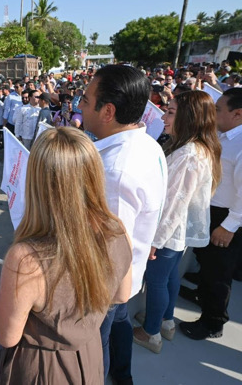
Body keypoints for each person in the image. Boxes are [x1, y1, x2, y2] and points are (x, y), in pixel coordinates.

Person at [0, 127, 132, 384]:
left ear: (37, 182)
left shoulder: (26, 259)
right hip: (88, 355)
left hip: (42, 368)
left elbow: (7, 336)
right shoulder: (116, 229)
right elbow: (121, 295)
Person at [79, 65, 167, 384]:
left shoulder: (113, 169)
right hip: (131, 275)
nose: (80, 105)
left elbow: (111, 251)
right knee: (120, 326)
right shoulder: (146, 144)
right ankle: (123, 375)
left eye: (86, 100)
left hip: (107, 286)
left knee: (97, 345)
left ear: (108, 110)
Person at [179, 88, 242, 340]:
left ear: (238, 113)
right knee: (206, 262)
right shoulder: (226, 135)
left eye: (219, 108)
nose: (213, 112)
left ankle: (213, 322)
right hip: (213, 209)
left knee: (218, 273)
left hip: (229, 217)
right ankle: (202, 296)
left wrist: (229, 226)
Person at [133, 91, 221, 354]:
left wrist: (155, 241)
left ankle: (151, 333)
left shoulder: (189, 154)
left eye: (170, 112)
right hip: (175, 230)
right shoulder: (193, 148)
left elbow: (173, 203)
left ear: (189, 117)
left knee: (157, 280)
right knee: (169, 276)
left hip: (167, 232)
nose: (163, 116)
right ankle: (165, 321)